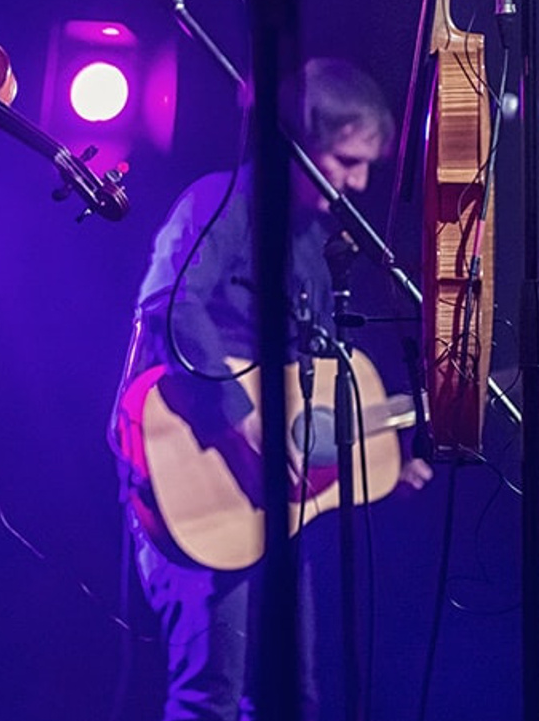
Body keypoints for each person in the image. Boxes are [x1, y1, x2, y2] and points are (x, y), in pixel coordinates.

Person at [109, 57, 431, 720]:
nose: (357, 183)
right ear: (297, 146)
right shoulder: (218, 202)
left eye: (367, 166)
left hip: (266, 510)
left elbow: (304, 398)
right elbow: (170, 307)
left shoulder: (313, 244)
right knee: (211, 699)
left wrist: (374, 456)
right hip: (192, 484)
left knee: (296, 699)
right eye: (345, 161)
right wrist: (237, 419)